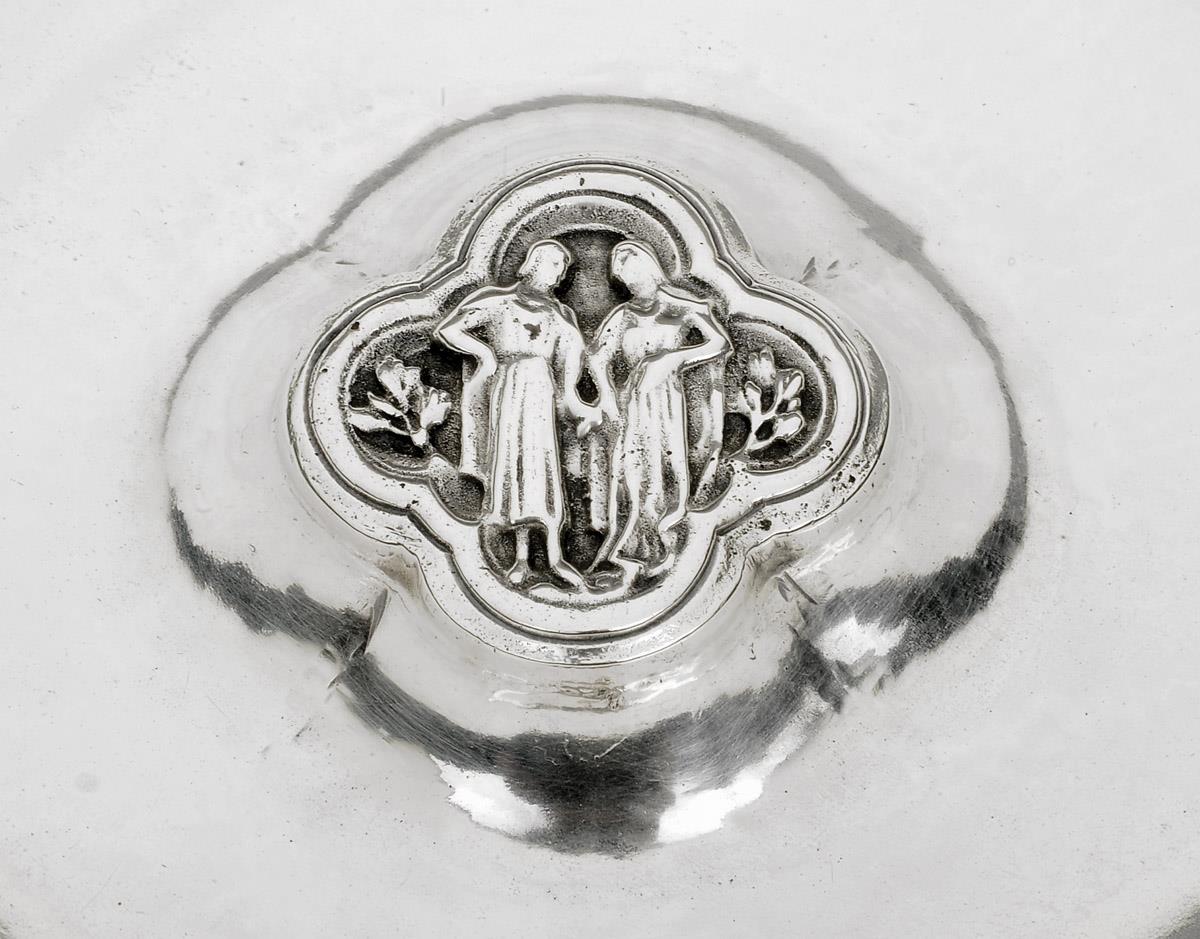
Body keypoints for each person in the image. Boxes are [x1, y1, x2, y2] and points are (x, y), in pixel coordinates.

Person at [433, 240, 598, 588]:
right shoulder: (499, 302)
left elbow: (570, 370)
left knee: (543, 469)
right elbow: (448, 329)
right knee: (513, 467)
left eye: (562, 268)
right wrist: (485, 354)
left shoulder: (558, 317)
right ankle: (521, 558)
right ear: (534, 264)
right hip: (509, 390)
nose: (558, 275)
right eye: (554, 265)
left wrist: (580, 406)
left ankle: (554, 556)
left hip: (541, 393)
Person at [589, 240, 731, 580]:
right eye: (623, 276)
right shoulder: (623, 316)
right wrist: (606, 396)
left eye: (633, 272)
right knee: (632, 467)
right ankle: (632, 543)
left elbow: (719, 343)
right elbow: (598, 357)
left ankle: (662, 538)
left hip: (668, 400)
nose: (629, 281)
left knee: (665, 463)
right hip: (635, 399)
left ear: (650, 268)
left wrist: (673, 358)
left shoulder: (682, 307)